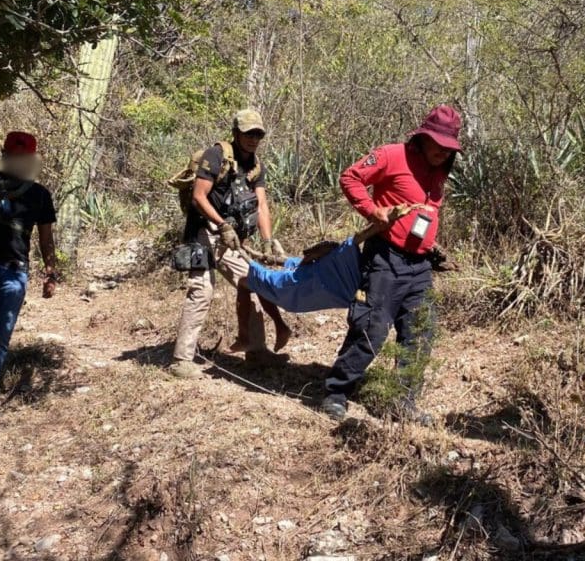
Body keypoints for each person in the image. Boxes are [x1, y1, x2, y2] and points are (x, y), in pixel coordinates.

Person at [320, 105, 462, 422]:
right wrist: (372, 210)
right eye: (437, 144)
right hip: (384, 258)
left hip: (420, 266)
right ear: (423, 138)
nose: (442, 152)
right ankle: (338, 391)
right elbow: (351, 177)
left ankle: (403, 403)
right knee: (370, 327)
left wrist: (432, 247)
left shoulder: (440, 171)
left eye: (448, 147)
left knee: (420, 333)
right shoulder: (392, 155)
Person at [170, 108, 291, 379]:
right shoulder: (216, 156)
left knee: (254, 280)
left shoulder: (255, 164)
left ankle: (257, 351)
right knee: (202, 291)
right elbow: (199, 198)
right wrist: (222, 225)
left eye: (257, 134)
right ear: (236, 133)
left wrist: (268, 240)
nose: (253, 138)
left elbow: (261, 204)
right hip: (204, 232)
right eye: (248, 133)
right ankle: (181, 360)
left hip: (231, 237)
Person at [0, 131, 59, 422]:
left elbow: (46, 238)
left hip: (13, 271)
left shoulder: (40, 194)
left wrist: (51, 272)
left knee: (0, 338)